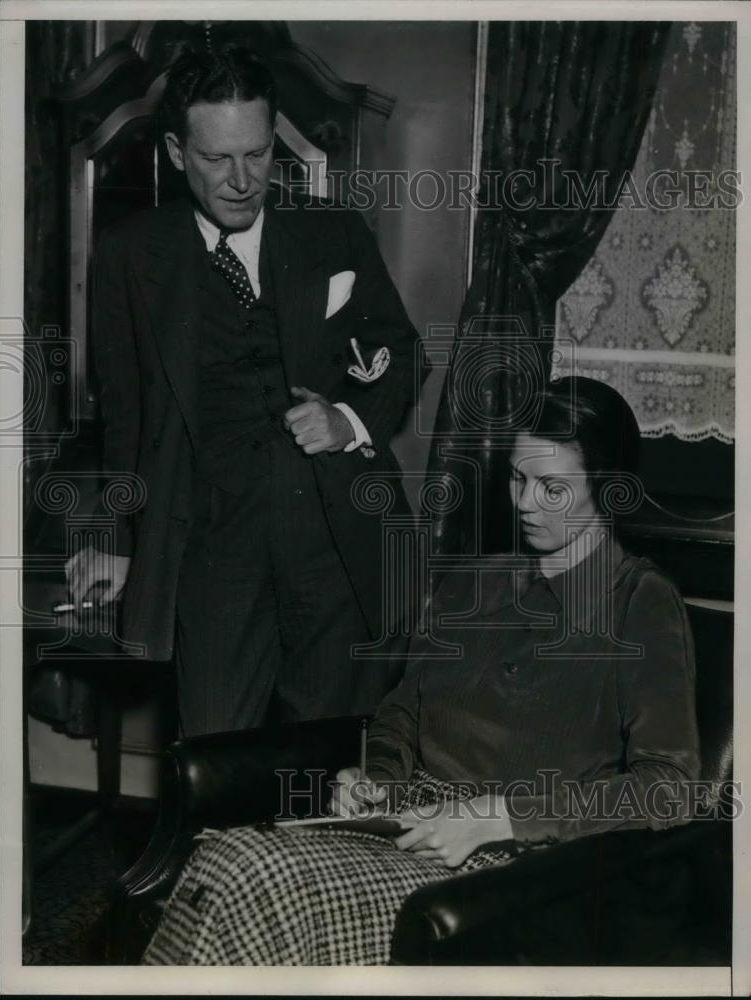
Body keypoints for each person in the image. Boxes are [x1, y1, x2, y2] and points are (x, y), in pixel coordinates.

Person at [142, 376, 701, 966]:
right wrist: (378, 777)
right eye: (517, 477)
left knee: (248, 870)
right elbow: (402, 712)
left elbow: (670, 789)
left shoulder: (639, 601)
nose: (525, 502)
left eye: (553, 488)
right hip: (407, 827)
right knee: (231, 857)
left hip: (514, 868)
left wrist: (499, 818)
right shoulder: (475, 582)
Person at [65, 47, 422, 735]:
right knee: (216, 752)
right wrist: (115, 535)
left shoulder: (333, 232)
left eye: (256, 155)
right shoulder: (130, 255)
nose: (241, 180)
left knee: (326, 768)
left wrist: (347, 418)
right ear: (175, 151)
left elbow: (400, 352)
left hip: (334, 540)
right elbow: (124, 413)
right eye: (217, 159)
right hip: (210, 544)